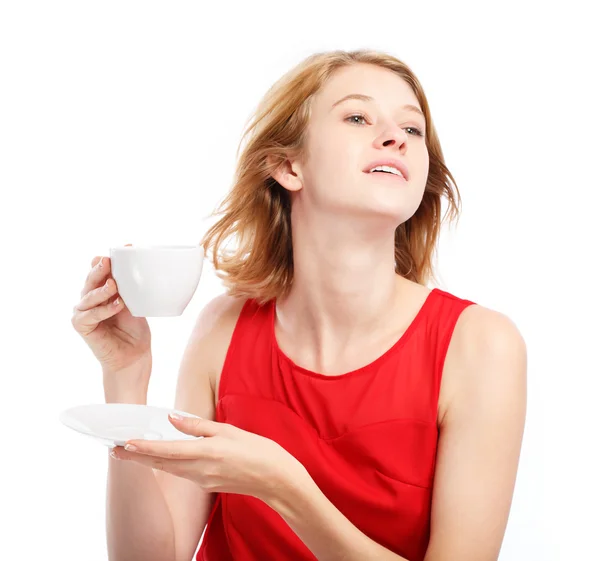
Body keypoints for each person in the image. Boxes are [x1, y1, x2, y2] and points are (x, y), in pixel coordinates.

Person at [72, 49, 527, 561]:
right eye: (358, 117)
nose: (396, 137)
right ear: (288, 165)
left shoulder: (481, 345)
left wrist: (285, 489)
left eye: (413, 129)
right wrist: (126, 378)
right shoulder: (223, 327)